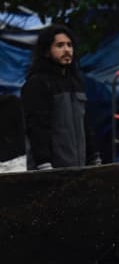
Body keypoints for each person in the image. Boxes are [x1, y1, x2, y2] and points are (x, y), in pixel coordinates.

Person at [21, 23, 100, 170]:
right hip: (49, 170)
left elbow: (85, 124)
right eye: (60, 45)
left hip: (79, 168)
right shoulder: (37, 83)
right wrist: (44, 164)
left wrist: (93, 156)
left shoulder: (76, 82)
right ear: (46, 51)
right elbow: (37, 127)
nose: (67, 50)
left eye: (69, 45)